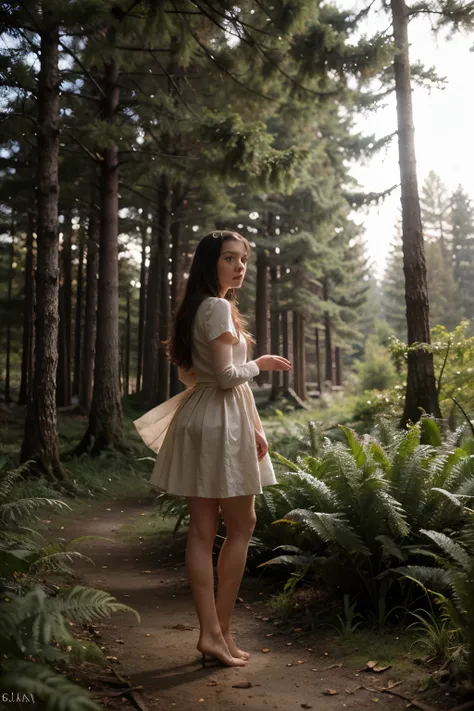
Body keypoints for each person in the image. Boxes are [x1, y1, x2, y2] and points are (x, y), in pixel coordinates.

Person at [134, 230, 291, 668]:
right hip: (220, 420)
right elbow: (226, 378)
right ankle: (217, 632)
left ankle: (214, 635)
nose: (240, 267)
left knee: (203, 531)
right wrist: (260, 364)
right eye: (229, 258)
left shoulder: (196, 308)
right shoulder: (218, 307)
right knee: (242, 525)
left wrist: (254, 424)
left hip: (205, 416)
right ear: (210, 263)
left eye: (243, 259)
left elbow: (201, 377)